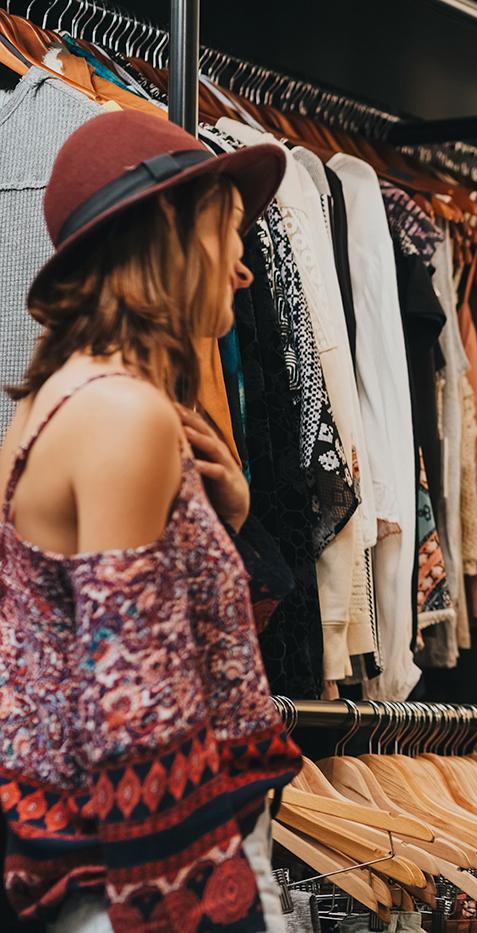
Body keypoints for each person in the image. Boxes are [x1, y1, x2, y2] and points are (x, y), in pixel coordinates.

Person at [0, 111, 300, 931]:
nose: (244, 270)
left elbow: (137, 636)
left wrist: (225, 516)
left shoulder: (64, 399)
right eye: (230, 234)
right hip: (145, 882)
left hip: (95, 870)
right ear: (172, 230)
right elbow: (140, 721)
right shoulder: (123, 417)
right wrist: (211, 910)